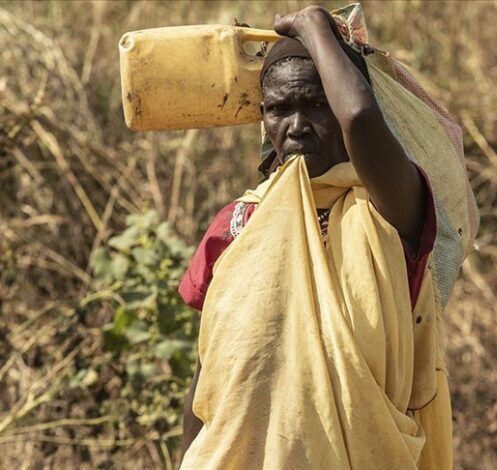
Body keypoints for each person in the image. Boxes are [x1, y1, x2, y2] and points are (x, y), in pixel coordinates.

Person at [178, 6, 453, 469]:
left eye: (319, 103)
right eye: (279, 110)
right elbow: (209, 373)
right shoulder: (237, 224)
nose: (297, 126)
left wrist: (313, 28)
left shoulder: (391, 207)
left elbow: (362, 116)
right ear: (263, 118)